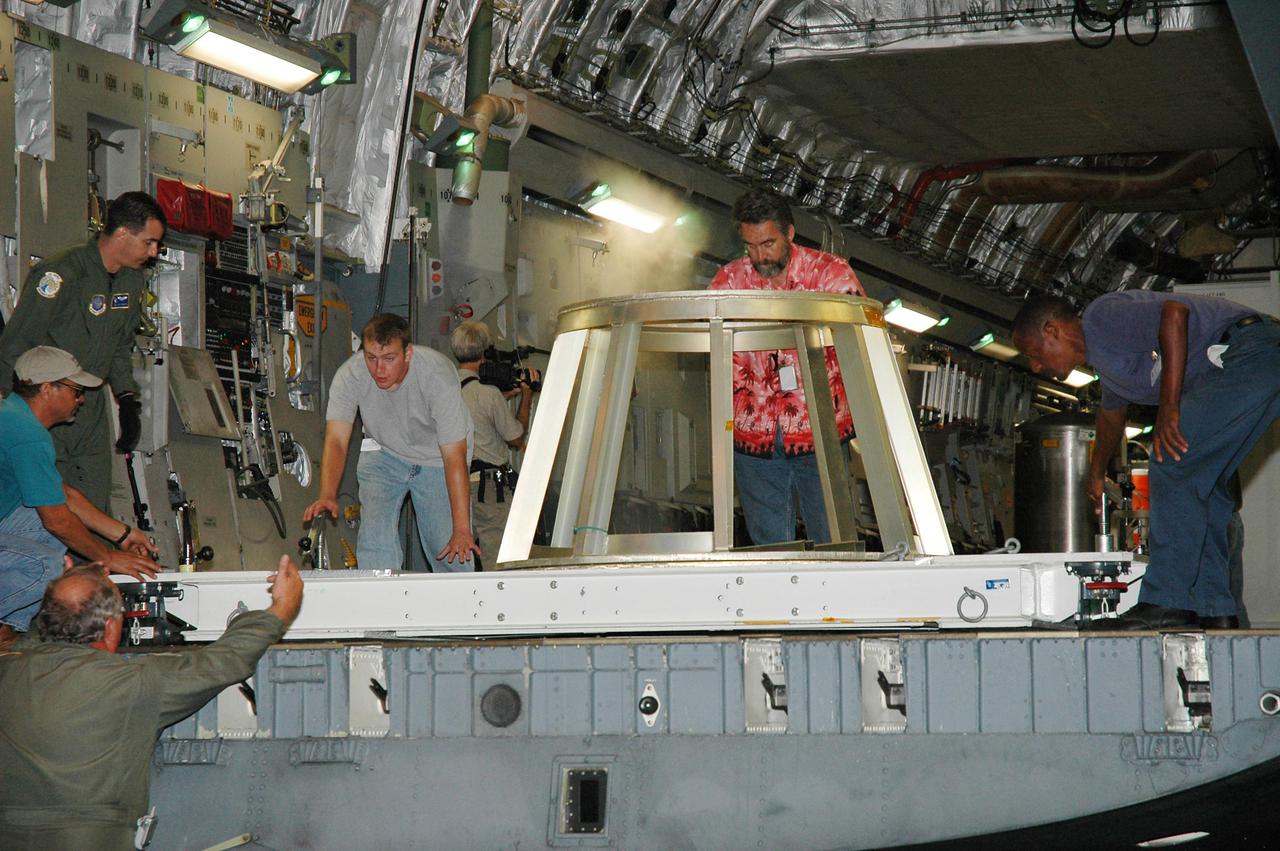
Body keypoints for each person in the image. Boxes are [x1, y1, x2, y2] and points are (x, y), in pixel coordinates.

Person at [1012, 292, 1280, 630]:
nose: (1036, 366)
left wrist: (1168, 407)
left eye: (1035, 354)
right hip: (1261, 362)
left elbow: (1174, 312)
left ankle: (1166, 601)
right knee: (1206, 487)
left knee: (1170, 459)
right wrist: (1096, 474)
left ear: (1052, 331)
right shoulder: (1110, 369)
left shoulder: (1100, 317)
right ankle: (1215, 609)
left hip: (1248, 352)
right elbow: (1111, 417)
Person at [0, 555, 303, 849]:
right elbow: (223, 661)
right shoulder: (130, 682)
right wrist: (279, 610)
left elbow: (33, 642)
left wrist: (64, 595)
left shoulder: (8, 669)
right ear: (110, 626)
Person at [709, 188, 866, 545]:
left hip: (822, 436)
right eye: (750, 246)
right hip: (754, 442)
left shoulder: (831, 276)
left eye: (768, 244)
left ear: (790, 234)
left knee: (834, 541)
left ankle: (834, 601)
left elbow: (860, 341)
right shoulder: (729, 281)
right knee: (770, 549)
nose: (759, 257)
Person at [0, 191, 166, 510]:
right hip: (45, 403)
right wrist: (13, 414)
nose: (154, 251)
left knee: (94, 502)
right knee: (48, 505)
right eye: (148, 242)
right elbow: (15, 345)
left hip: (90, 407)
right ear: (121, 233)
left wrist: (127, 398)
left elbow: (119, 344)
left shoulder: (131, 282)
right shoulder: (62, 273)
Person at [0, 347, 159, 646]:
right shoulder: (26, 434)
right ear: (48, 389)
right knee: (49, 564)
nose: (82, 399)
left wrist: (123, 535)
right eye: (75, 390)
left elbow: (63, 497)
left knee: (55, 528)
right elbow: (57, 521)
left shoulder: (13, 417)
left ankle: (8, 626)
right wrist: (108, 558)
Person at [303, 313, 477, 571]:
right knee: (374, 539)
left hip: (437, 458)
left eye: (389, 359)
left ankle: (460, 606)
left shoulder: (436, 375)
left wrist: (462, 530)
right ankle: (380, 603)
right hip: (383, 453)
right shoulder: (350, 376)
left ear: (408, 354)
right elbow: (337, 440)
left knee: (449, 547)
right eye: (371, 358)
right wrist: (327, 494)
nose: (379, 369)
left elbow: (454, 457)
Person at [451, 321, 537, 568]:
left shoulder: (444, 389)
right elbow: (515, 437)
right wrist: (526, 397)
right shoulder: (488, 395)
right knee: (497, 560)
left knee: (460, 558)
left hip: (453, 486)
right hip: (488, 491)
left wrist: (502, 397)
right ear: (483, 354)